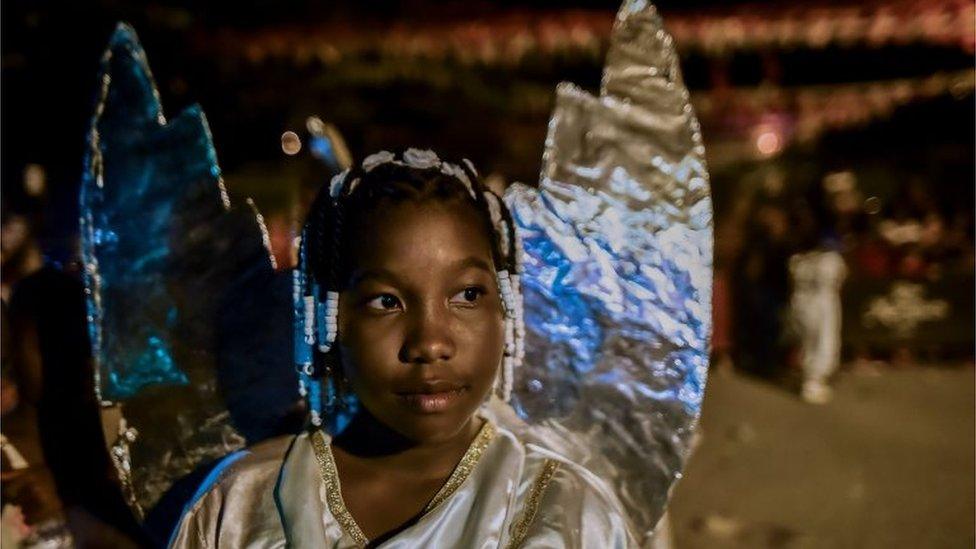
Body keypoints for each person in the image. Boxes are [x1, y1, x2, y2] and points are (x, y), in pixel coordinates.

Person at [170, 150, 634, 547]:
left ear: (506, 307)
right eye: (385, 302)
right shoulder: (238, 507)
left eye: (468, 295)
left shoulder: (570, 513)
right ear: (330, 320)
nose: (430, 343)